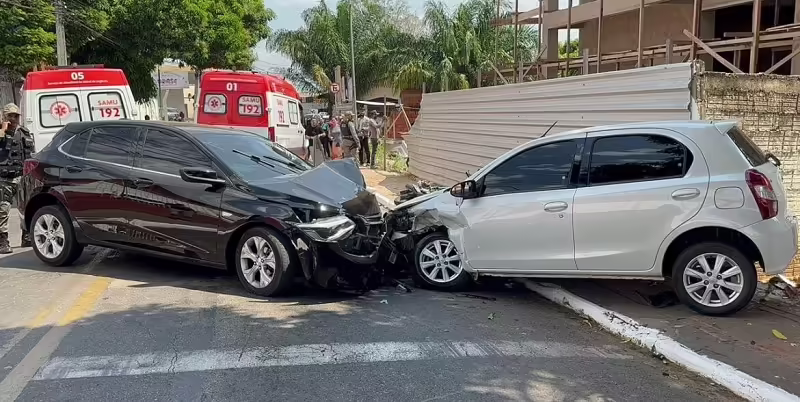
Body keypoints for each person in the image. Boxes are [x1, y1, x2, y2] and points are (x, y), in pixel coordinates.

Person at [0, 104, 34, 253]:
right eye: (10, 116)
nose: (13, 119)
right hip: (4, 179)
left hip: (22, 177)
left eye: (16, 116)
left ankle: (27, 237)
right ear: (4, 117)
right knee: (3, 210)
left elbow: (31, 154)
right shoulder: (1, 132)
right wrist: (2, 129)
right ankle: (3, 241)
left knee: (26, 208)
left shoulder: (24, 133)